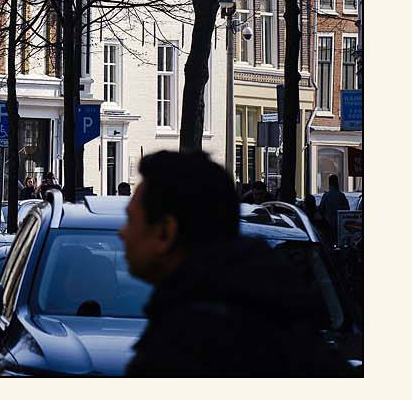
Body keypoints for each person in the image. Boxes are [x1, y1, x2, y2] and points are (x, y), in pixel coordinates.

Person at [120, 151, 347, 376]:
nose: (122, 233)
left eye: (131, 220)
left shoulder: (181, 349)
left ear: (165, 233)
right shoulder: (284, 321)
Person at [317, 174, 348, 242]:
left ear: (329, 184)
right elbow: (347, 211)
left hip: (328, 227)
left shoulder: (326, 196)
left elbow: (320, 209)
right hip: (340, 227)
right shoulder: (341, 196)